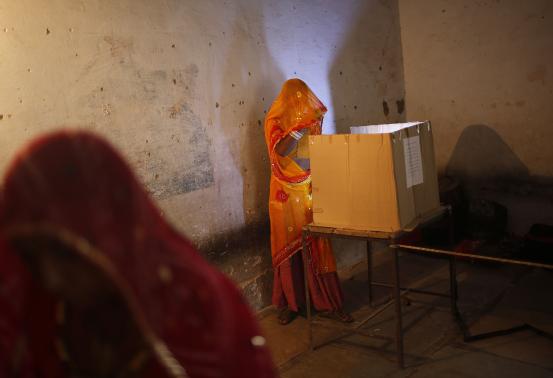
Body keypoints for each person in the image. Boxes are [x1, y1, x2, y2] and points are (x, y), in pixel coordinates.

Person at [0, 131, 276, 378]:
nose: (51, 277)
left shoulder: (203, 312)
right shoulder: (34, 312)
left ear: (112, 240)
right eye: (32, 258)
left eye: (67, 257)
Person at [264, 79, 353, 325]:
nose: (304, 105)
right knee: (288, 247)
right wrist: (297, 128)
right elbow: (279, 153)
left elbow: (310, 154)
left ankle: (327, 302)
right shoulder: (275, 122)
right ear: (289, 100)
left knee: (318, 243)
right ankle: (291, 304)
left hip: (307, 189)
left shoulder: (308, 123)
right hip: (282, 195)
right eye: (300, 100)